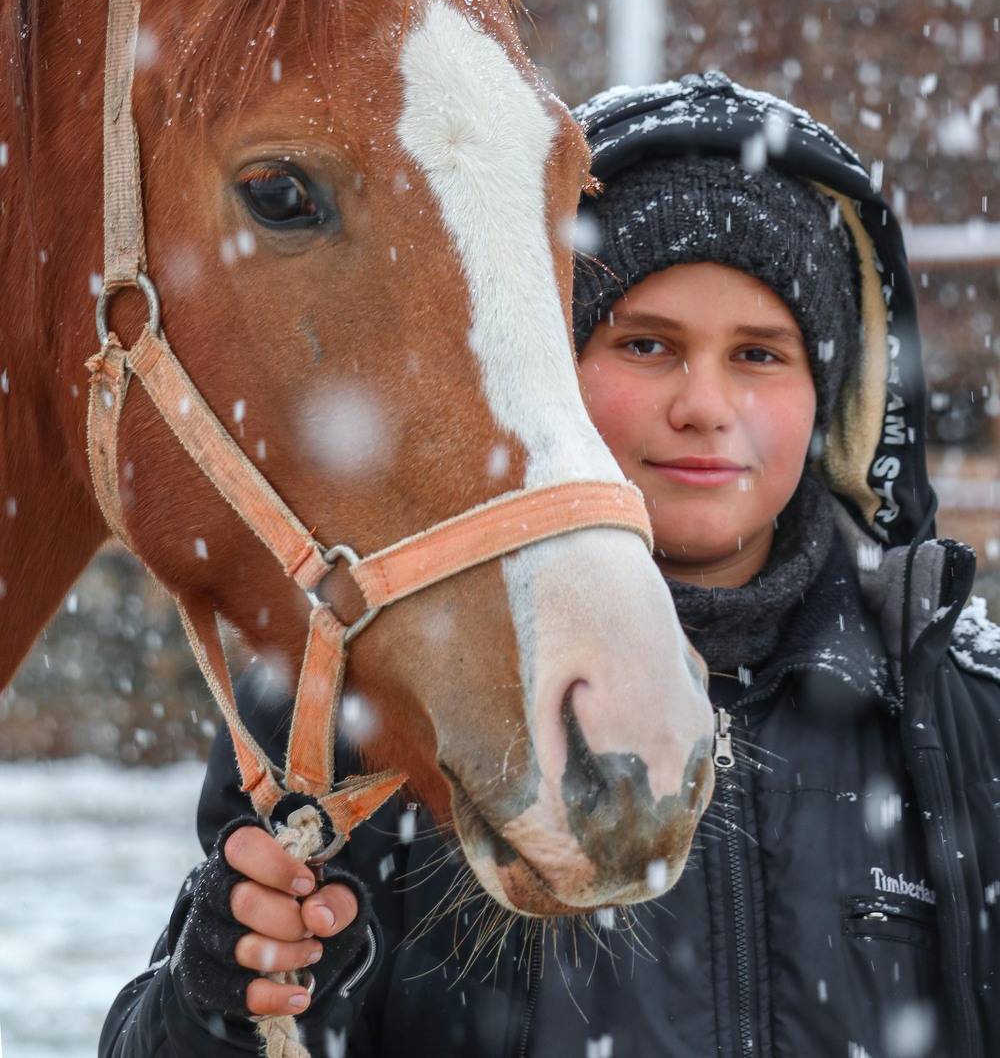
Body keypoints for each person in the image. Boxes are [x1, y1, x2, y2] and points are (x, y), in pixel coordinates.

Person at [101, 70, 1000, 1058]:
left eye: (758, 355)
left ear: (826, 393)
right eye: (647, 345)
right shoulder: (362, 704)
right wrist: (223, 999)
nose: (705, 406)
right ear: (545, 374)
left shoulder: (956, 711)